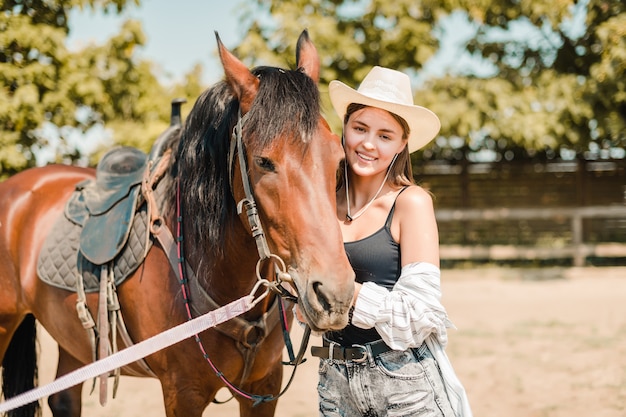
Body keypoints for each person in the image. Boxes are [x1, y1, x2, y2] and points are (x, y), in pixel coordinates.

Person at [308, 66, 473, 417]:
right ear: (345, 130)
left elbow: (420, 314)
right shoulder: (320, 204)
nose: (369, 143)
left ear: (402, 145)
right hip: (334, 383)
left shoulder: (411, 203)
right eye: (360, 128)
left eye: (385, 135)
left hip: (403, 383)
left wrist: (346, 290)